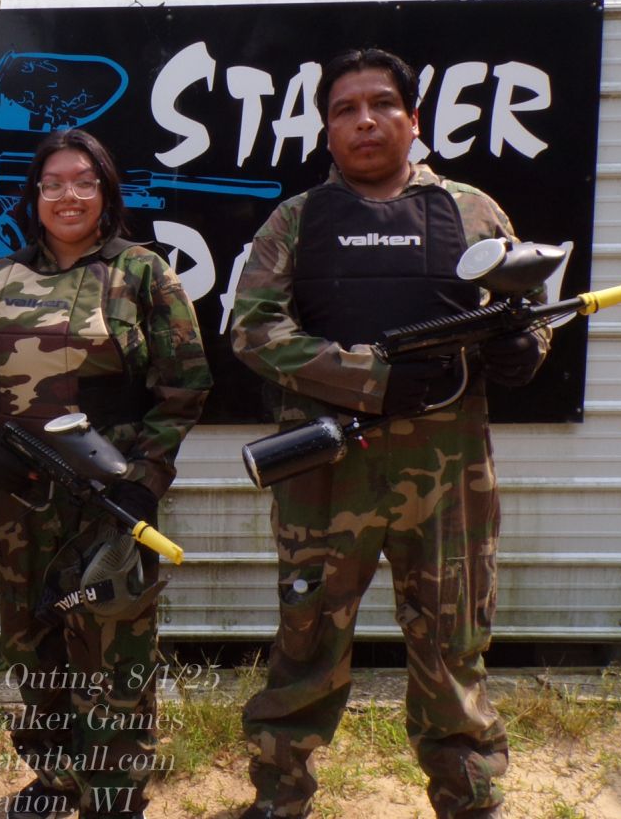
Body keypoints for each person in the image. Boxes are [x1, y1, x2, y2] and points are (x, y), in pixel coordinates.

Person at [229, 48, 550, 819]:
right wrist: (367, 378)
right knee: (305, 641)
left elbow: (525, 315)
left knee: (451, 645)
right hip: (326, 474)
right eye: (344, 109)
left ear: (412, 119)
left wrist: (523, 347)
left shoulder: (472, 212)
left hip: (447, 476)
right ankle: (279, 795)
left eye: (380, 105)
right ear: (325, 129)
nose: (364, 121)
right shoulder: (295, 220)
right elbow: (253, 331)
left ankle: (468, 796)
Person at [0, 128, 211, 819]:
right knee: (34, 638)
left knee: (115, 640)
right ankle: (56, 778)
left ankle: (114, 788)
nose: (68, 196)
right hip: (22, 498)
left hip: (112, 493)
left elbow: (186, 384)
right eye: (52, 183)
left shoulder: (143, 272)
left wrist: (146, 476)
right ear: (34, 195)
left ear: (106, 192)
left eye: (84, 181)